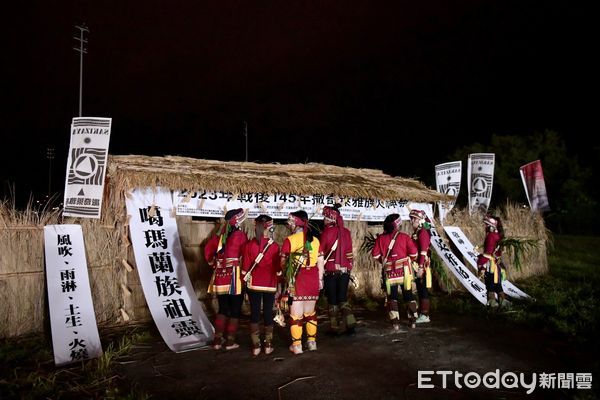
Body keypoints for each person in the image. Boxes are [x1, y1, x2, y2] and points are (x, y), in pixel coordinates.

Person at [280, 210, 324, 354]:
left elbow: (283, 262)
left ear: (296, 223)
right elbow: (320, 261)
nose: (289, 225)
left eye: (291, 222)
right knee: (310, 313)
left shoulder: (290, 240)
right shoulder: (316, 240)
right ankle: (312, 343)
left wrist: (285, 277)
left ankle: (297, 346)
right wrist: (320, 280)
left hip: (297, 278)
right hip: (312, 278)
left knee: (296, 315)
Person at [204, 208, 248, 350]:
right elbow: (246, 255)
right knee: (235, 309)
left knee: (222, 308)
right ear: (237, 221)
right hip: (234, 276)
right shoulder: (240, 235)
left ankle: (217, 340)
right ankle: (230, 341)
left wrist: (214, 263)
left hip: (220, 276)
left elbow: (208, 252)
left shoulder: (220, 236)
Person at [242, 215, 281, 356]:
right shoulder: (275, 246)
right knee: (268, 313)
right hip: (270, 284)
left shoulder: (249, 245)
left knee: (255, 313)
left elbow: (245, 268)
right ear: (269, 227)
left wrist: (244, 283)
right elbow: (278, 269)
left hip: (254, 285)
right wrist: (279, 284)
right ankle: (268, 345)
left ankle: (256, 346)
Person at [371, 213, 418, 330]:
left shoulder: (380, 238)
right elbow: (414, 254)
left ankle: (395, 323)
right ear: (397, 225)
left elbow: (375, 255)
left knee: (392, 296)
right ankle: (412, 321)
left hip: (390, 272)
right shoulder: (405, 237)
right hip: (405, 271)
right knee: (408, 295)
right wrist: (407, 259)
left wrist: (384, 261)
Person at [319, 203, 356, 334]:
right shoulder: (346, 232)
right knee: (343, 298)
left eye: (325, 218)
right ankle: (351, 323)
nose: (324, 220)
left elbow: (320, 253)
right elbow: (350, 254)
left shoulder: (326, 233)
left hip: (330, 271)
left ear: (330, 219)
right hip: (345, 271)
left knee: (332, 300)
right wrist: (348, 266)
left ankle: (334, 327)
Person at [477, 214, 510, 308]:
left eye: (486, 225)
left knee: (490, 284)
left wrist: (480, 263)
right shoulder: (498, 236)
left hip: (490, 265)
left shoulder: (491, 236)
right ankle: (502, 300)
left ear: (491, 227)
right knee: (498, 284)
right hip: (497, 264)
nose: (485, 227)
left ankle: (492, 303)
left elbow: (488, 252)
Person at [409, 209, 433, 324]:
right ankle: (423, 312)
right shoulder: (418, 231)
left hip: (421, 264)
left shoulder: (423, 232)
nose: (411, 221)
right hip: (418, 263)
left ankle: (424, 314)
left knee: (423, 289)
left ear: (419, 220)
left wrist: (420, 267)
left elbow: (423, 251)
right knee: (420, 288)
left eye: (413, 219)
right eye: (411, 218)